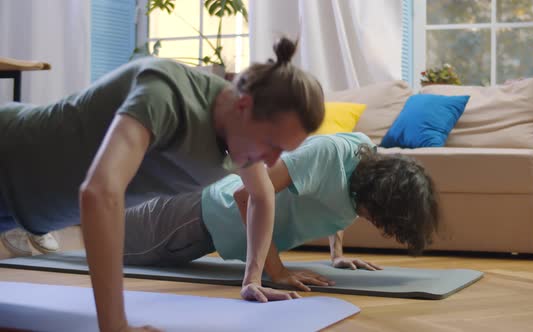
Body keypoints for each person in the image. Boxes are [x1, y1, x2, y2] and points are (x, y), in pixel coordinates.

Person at [0, 37, 324, 331]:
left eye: (282, 151)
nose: (271, 161)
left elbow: (262, 195)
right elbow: (100, 193)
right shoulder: (165, 92)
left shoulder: (242, 140)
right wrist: (115, 326)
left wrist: (256, 277)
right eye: (271, 144)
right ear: (244, 106)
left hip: (28, 211)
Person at [122, 132, 439, 290]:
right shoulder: (329, 154)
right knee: (104, 236)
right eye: (377, 216)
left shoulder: (365, 165)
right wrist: (276, 272)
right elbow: (245, 195)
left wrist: (336, 255)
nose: (372, 221)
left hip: (210, 234)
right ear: (374, 192)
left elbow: (333, 203)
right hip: (195, 216)